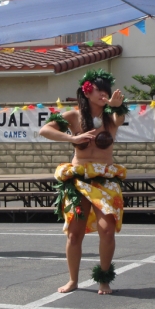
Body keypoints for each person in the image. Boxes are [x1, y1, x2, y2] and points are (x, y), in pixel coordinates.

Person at [39, 69, 128, 295]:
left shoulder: (111, 117)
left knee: (107, 231)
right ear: (87, 92)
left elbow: (120, 118)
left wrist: (116, 106)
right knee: (74, 233)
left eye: (106, 91)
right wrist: (73, 137)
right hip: (78, 180)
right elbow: (45, 130)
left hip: (105, 180)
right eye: (99, 90)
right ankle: (72, 280)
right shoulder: (73, 116)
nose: (104, 94)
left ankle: (104, 279)